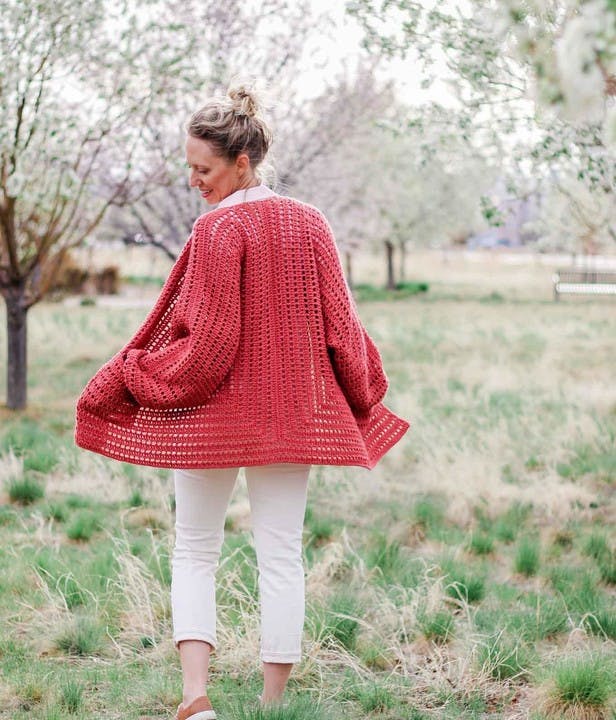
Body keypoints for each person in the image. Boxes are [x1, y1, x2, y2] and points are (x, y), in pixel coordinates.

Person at [74, 82, 410, 720]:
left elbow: (206, 349)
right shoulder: (310, 223)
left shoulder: (217, 231)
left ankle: (196, 702)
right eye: (189, 168)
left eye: (203, 169)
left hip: (210, 424)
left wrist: (136, 370)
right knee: (280, 550)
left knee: (195, 546)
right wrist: (364, 387)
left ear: (242, 163)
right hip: (290, 421)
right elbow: (345, 328)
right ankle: (270, 706)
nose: (194, 180)